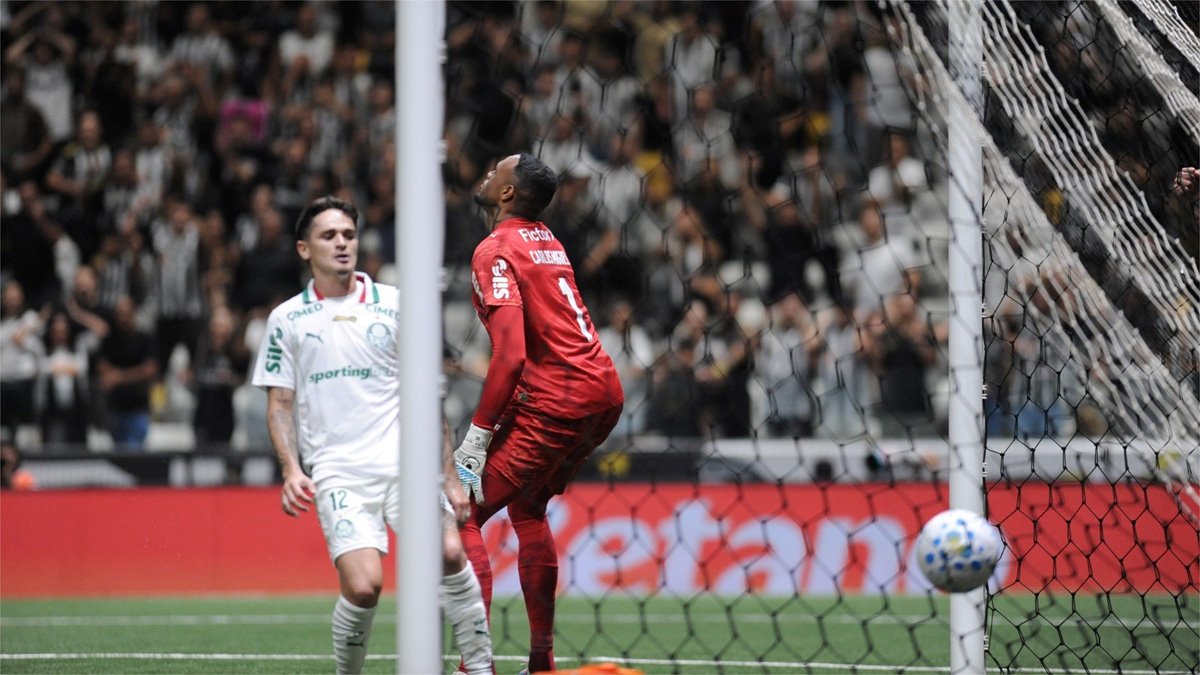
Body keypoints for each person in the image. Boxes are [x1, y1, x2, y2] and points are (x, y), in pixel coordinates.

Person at [251, 196, 492, 675]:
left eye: (348, 234)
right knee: (364, 586)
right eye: (328, 236)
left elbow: (428, 397)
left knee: (448, 552)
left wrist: (447, 476)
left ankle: (482, 669)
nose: (342, 243)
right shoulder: (286, 320)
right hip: (340, 472)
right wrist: (291, 468)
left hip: (407, 465)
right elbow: (278, 404)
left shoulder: (397, 305)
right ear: (304, 249)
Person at [455, 153, 624, 673]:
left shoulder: (496, 248)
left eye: (494, 171)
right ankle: (541, 663)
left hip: (559, 400)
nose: (485, 174)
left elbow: (510, 356)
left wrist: (478, 435)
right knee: (528, 510)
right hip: (603, 394)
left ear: (507, 194)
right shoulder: (547, 239)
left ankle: (474, 668)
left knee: (460, 513)